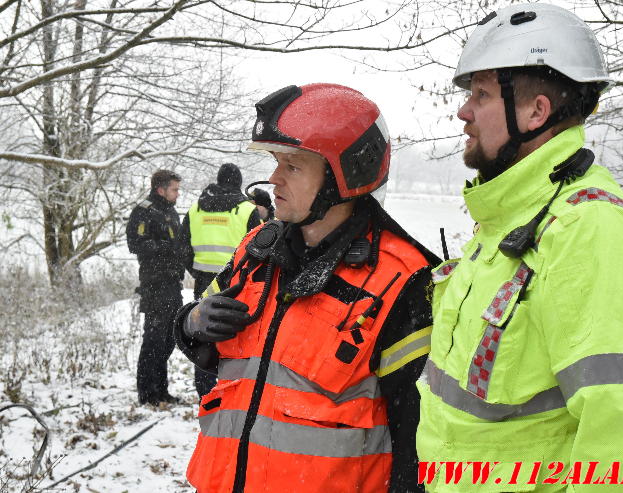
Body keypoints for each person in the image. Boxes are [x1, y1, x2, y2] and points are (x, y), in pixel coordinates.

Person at [416, 4, 623, 492]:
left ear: (535, 111)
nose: (464, 111)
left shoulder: (589, 228)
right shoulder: (510, 221)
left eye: (479, 94)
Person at [172, 83, 439, 493]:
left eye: (292, 166)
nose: (274, 179)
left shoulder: (401, 279)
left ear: (345, 176)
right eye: (277, 163)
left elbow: (417, 437)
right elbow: (213, 346)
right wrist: (191, 323)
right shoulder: (257, 250)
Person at [178, 163, 262, 399]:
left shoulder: (195, 209)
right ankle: (234, 392)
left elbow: (183, 247)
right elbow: (261, 248)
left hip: (204, 280)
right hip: (237, 282)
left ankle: (205, 391)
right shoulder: (247, 209)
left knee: (203, 330)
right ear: (237, 183)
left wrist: (197, 272)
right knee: (236, 333)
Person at [126, 169, 185, 406]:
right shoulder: (144, 211)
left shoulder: (170, 211)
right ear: (161, 189)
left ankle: (162, 391)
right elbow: (135, 243)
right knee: (153, 340)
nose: (178, 194)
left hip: (173, 284)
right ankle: (147, 393)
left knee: (170, 339)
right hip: (155, 284)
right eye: (174, 189)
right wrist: (166, 249)